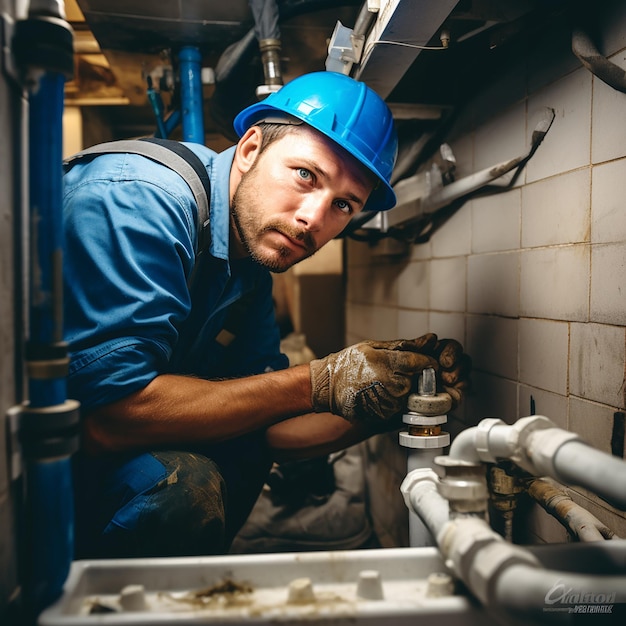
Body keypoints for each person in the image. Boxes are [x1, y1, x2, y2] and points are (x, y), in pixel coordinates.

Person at [63, 71, 470, 558]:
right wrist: (318, 380)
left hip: (84, 453)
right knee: (184, 484)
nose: (314, 219)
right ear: (252, 148)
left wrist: (383, 404)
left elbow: (269, 429)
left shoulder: (247, 272)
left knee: (236, 449)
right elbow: (110, 417)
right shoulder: (143, 200)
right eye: (306, 175)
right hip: (32, 468)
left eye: (343, 204)